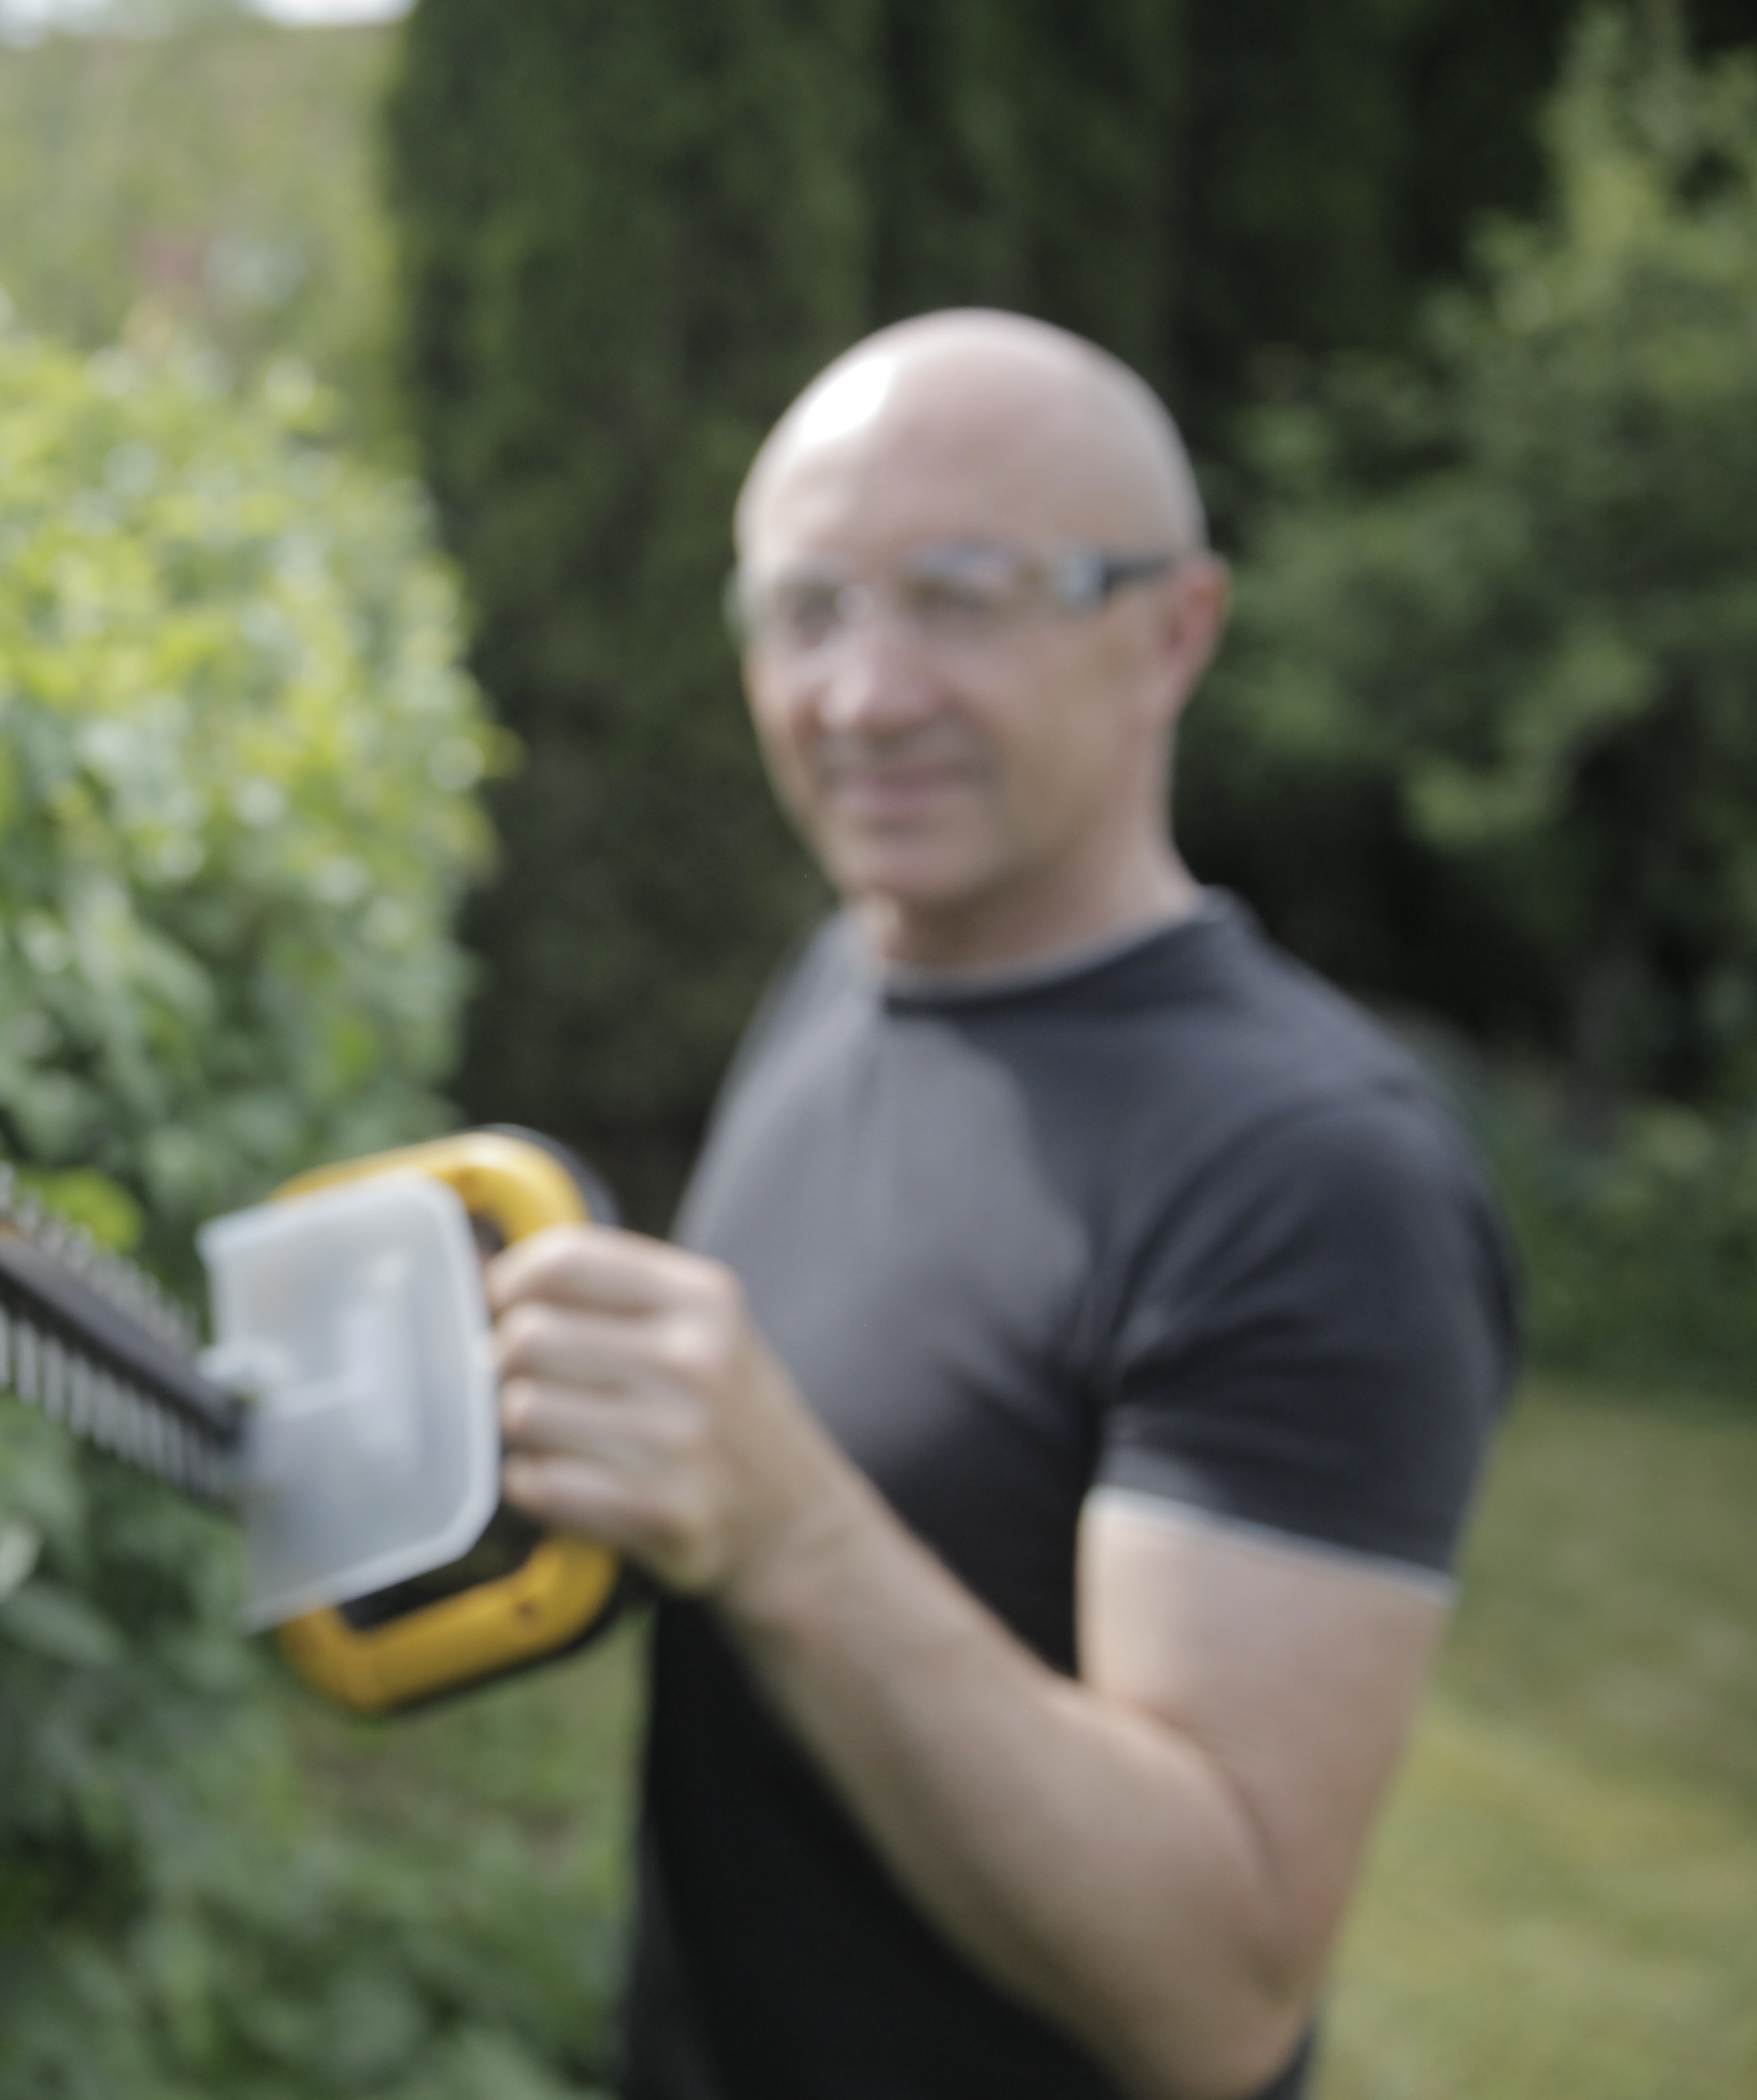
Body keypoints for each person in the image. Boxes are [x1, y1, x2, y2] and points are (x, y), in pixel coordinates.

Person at [485, 310, 1516, 2100]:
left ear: (1172, 631)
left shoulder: (1311, 1171)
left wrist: (791, 1527)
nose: (864, 694)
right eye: (805, 610)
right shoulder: (837, 983)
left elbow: (1216, 1995)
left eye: (961, 594)